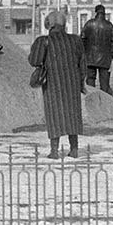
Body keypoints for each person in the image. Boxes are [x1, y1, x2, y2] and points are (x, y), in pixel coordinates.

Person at [29, 10, 86, 158]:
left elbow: (34, 61)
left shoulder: (43, 41)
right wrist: (80, 83)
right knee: (72, 115)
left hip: (53, 84)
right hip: (72, 84)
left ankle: (54, 151)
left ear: (49, 24)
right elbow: (83, 64)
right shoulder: (75, 40)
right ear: (63, 24)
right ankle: (74, 149)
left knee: (54, 115)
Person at [80, 5, 113, 95]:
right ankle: (104, 103)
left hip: (90, 58)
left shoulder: (89, 24)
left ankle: (91, 101)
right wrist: (110, 56)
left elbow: (81, 40)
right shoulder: (109, 26)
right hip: (105, 59)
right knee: (104, 84)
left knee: (90, 82)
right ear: (104, 13)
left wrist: (84, 54)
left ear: (96, 12)